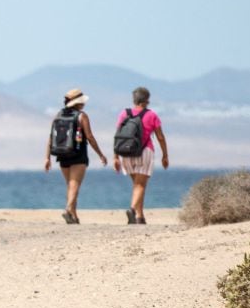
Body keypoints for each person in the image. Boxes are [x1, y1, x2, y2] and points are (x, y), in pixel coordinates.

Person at [44, 88, 109, 224]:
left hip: (61, 154)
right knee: (74, 185)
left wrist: (47, 158)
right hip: (78, 154)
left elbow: (51, 137)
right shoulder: (81, 116)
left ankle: (73, 216)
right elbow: (90, 137)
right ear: (78, 103)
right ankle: (68, 209)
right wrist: (101, 154)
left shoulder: (58, 115)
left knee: (70, 185)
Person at [113, 87, 170, 224]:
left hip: (126, 153)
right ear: (147, 100)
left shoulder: (124, 114)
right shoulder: (152, 115)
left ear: (134, 99)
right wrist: (165, 155)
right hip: (145, 152)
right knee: (140, 185)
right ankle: (132, 210)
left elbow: (118, 136)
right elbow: (160, 137)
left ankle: (140, 216)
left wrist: (115, 157)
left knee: (137, 184)